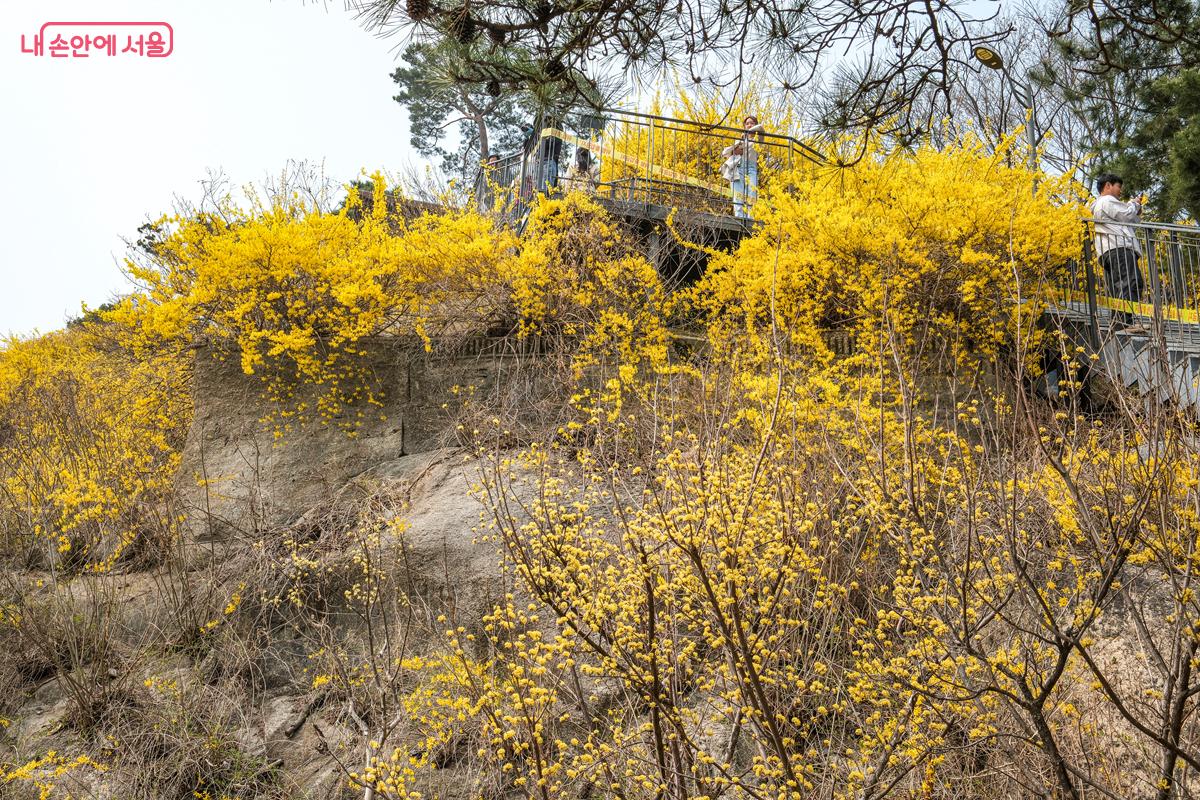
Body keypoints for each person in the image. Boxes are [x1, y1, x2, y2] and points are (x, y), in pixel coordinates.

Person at [1091, 173, 1148, 333]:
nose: (1120, 191)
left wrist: (1136, 208)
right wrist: (1133, 204)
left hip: (1110, 250)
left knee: (1119, 286)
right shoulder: (1107, 200)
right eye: (1118, 187)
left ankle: (1120, 322)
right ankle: (1125, 323)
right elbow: (1127, 215)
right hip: (1119, 248)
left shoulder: (1102, 204)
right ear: (1108, 185)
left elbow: (1131, 220)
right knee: (1130, 282)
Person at [721, 115, 766, 219]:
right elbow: (726, 153)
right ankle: (739, 216)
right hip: (739, 167)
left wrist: (748, 132)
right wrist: (735, 151)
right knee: (737, 193)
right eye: (747, 124)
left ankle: (750, 218)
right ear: (744, 126)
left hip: (751, 168)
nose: (749, 125)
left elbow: (761, 128)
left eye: (752, 123)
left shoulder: (758, 139)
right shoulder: (740, 140)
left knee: (752, 192)